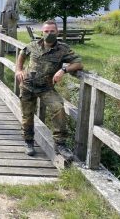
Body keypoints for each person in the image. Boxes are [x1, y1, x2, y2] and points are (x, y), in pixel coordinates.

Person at [15, 20, 83, 158]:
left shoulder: (63, 49)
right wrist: (18, 70)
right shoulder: (33, 45)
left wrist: (63, 70)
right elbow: (22, 54)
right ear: (42, 32)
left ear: (57, 32)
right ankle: (28, 142)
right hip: (28, 85)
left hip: (46, 87)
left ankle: (60, 144)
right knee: (27, 116)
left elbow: (78, 64)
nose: (49, 33)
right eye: (46, 31)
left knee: (58, 107)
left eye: (52, 31)